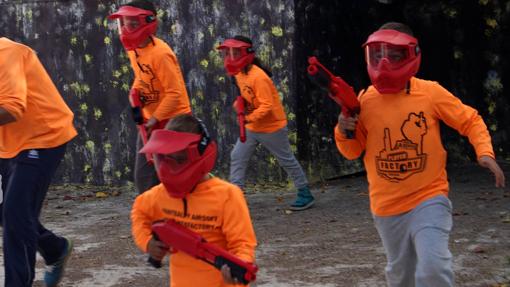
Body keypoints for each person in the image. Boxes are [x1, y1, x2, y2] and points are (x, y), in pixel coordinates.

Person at [334, 22, 506, 286]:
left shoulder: (430, 93)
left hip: (429, 198)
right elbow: (351, 151)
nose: (384, 63)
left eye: (394, 55)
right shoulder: (364, 100)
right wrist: (344, 129)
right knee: (401, 274)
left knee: (433, 269)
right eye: (378, 55)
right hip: (386, 206)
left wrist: (485, 152)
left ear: (411, 55)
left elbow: (469, 119)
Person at [131, 114, 257, 287]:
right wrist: (147, 242)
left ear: (201, 153)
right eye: (165, 159)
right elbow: (140, 211)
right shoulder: (160, 195)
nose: (169, 168)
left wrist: (238, 272)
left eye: (180, 159)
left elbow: (242, 244)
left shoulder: (227, 196)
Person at [0, 37, 77, 286]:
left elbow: (12, 109)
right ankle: (54, 248)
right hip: (8, 142)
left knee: (14, 213)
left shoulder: (7, 53)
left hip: (42, 137)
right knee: (9, 210)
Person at [217, 35, 314, 211]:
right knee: (237, 156)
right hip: (253, 126)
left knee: (286, 160)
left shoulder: (258, 77)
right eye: (227, 53)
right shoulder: (239, 74)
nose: (230, 57)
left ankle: (305, 193)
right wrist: (240, 105)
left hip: (272, 128)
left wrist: (248, 118)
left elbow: (267, 106)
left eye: (235, 53)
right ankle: (236, 196)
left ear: (246, 54)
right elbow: (245, 96)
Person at [108, 0, 191, 194]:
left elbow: (175, 94)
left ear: (149, 23)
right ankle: (154, 218)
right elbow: (142, 76)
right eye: (124, 23)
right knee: (145, 178)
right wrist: (134, 92)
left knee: (176, 176)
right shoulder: (134, 49)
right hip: (150, 122)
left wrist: (154, 120)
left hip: (174, 122)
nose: (126, 29)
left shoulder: (160, 54)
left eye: (133, 24)